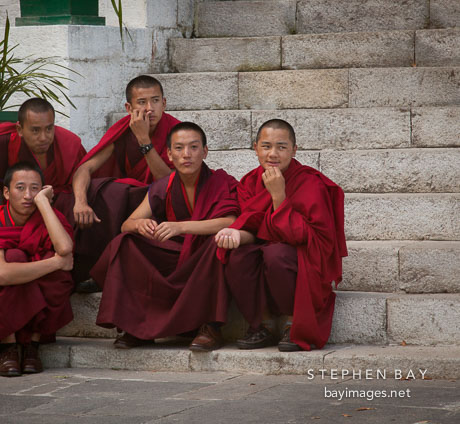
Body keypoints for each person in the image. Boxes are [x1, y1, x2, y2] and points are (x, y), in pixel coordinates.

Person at [92, 122, 239, 351]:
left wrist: (181, 227)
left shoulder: (220, 182)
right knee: (126, 242)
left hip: (203, 254)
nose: (186, 155)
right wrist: (139, 224)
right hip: (176, 253)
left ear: (205, 151)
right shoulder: (165, 185)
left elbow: (230, 222)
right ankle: (137, 327)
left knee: (218, 243)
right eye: (179, 148)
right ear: (169, 154)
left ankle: (210, 327)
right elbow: (125, 225)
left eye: (193, 147)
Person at [215, 119, 347, 352]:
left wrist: (279, 196)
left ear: (295, 150)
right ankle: (261, 324)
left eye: (282, 147)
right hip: (267, 251)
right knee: (237, 256)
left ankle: (291, 321)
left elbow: (312, 239)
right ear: (255, 147)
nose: (273, 154)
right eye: (266, 146)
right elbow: (254, 229)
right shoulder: (250, 182)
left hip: (300, 256)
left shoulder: (310, 183)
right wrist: (235, 233)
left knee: (275, 254)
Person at [0, 162, 75, 377]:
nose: (28, 195)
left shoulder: (47, 218)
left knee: (48, 260)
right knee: (15, 257)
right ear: (6, 192)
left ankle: (32, 346)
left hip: (34, 305)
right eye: (20, 188)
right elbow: (2, 274)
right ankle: (8, 347)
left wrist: (44, 204)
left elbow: (65, 247)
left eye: (35, 189)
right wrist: (56, 263)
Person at [71, 75, 180, 289]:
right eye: (142, 102)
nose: (150, 108)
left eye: (155, 101)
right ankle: (93, 268)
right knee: (100, 190)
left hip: (162, 203)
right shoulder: (123, 130)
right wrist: (80, 202)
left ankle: (111, 271)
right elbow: (85, 168)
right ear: (129, 107)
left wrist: (144, 140)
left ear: (164, 103)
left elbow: (169, 184)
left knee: (119, 193)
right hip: (129, 202)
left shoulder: (177, 132)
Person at [0, 98, 86, 224]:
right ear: (20, 130)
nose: (43, 138)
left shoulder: (68, 143)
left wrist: (81, 201)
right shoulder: (12, 142)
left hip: (63, 209)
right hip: (25, 210)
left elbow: (84, 171)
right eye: (35, 130)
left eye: (49, 129)